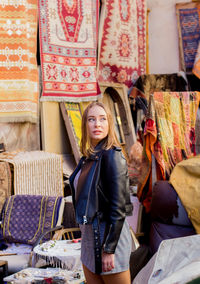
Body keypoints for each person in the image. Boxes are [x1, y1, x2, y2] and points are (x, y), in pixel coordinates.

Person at [69, 102, 133, 284]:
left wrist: (109, 249)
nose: (97, 124)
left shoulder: (112, 155)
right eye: (92, 119)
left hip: (108, 236)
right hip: (90, 238)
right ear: (85, 125)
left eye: (102, 119)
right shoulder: (88, 157)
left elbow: (118, 208)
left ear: (109, 124)